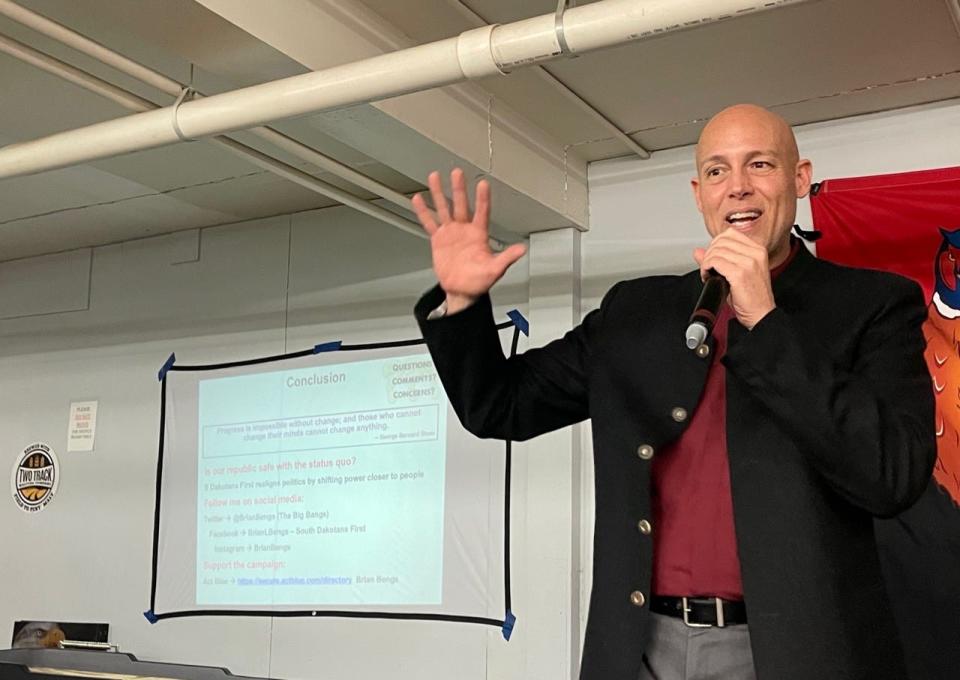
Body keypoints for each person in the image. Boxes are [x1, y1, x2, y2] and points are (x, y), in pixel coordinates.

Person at [411, 104, 935, 680]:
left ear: (799, 178)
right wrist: (461, 307)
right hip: (639, 646)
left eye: (759, 164)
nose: (737, 187)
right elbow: (500, 405)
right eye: (716, 171)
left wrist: (764, 317)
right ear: (698, 193)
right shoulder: (635, 311)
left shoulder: (873, 305)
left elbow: (893, 476)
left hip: (791, 651)